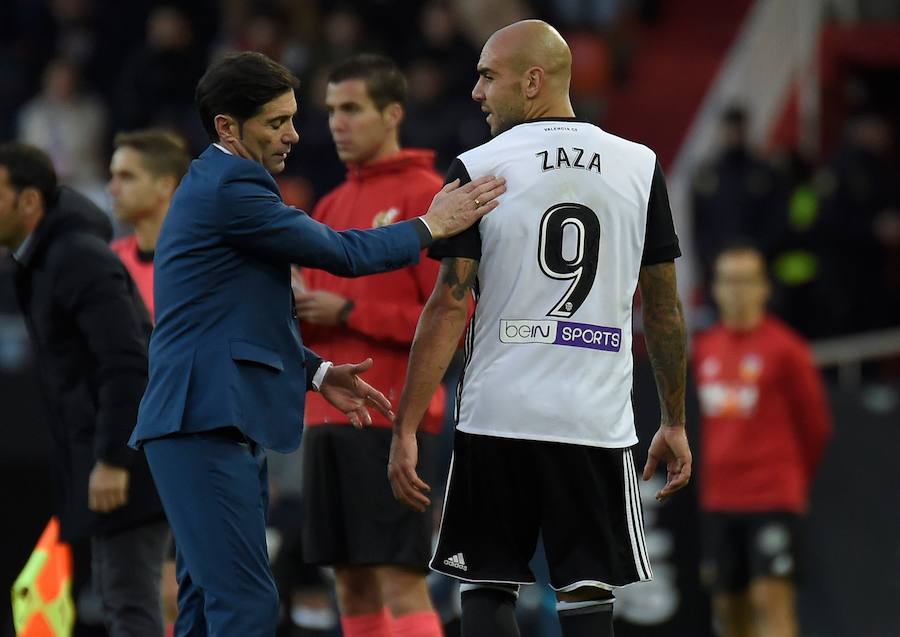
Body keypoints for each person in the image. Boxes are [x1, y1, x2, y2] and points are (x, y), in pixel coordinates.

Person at [127, 51, 505, 637]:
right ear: (228, 126)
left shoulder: (215, 183)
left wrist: (317, 371)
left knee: (207, 605)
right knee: (245, 606)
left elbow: (233, 321)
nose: (298, 134)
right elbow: (346, 254)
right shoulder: (234, 186)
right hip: (203, 421)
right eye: (278, 122)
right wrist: (435, 224)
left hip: (215, 420)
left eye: (296, 117)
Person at [387, 20, 691, 637]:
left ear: (532, 82)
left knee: (488, 581)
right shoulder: (639, 166)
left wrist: (408, 425)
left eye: (487, 76)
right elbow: (662, 308)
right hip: (594, 419)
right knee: (586, 591)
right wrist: (675, 420)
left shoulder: (478, 165)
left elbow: (450, 302)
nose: (475, 92)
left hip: (498, 410)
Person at [296, 54, 446, 637]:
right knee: (350, 577)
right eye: (332, 110)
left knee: (398, 575)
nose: (337, 122)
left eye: (352, 109)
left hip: (391, 416)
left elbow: (451, 316)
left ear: (393, 114)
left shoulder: (428, 196)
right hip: (325, 414)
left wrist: (350, 310)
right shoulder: (329, 206)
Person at [0, 143, 167, 636]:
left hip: (126, 465)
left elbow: (127, 361)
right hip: (98, 461)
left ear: (28, 201)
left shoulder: (76, 258)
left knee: (130, 604)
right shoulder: (45, 258)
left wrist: (114, 459)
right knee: (120, 602)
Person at [693, 243, 831, 637]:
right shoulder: (705, 350)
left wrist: (791, 481)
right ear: (715, 289)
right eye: (727, 281)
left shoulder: (787, 350)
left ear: (763, 288)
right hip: (719, 499)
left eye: (746, 281)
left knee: (771, 600)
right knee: (726, 606)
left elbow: (815, 426)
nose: (736, 290)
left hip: (772, 497)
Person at [108, 128, 191, 322]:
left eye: (126, 177)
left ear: (165, 185)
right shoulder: (111, 262)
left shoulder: (201, 264)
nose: (112, 189)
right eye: (113, 176)